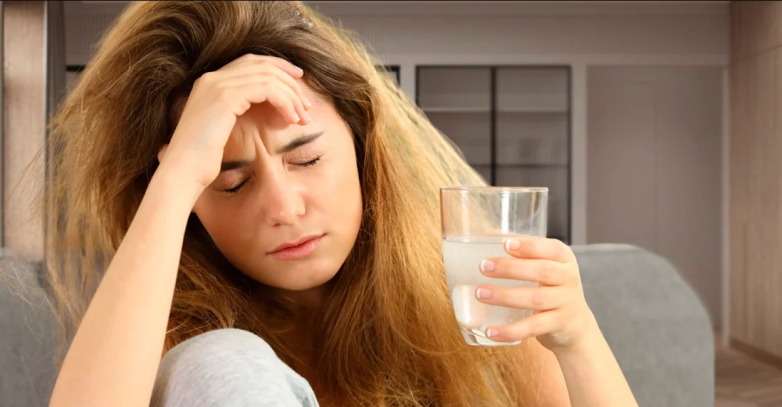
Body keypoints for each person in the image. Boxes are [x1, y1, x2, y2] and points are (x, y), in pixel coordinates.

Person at [43, 2, 638, 406]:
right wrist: (176, 178)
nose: (283, 207)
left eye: (306, 159)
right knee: (219, 360)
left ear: (360, 146)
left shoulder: (470, 298)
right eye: (230, 183)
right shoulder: (163, 335)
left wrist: (577, 337)